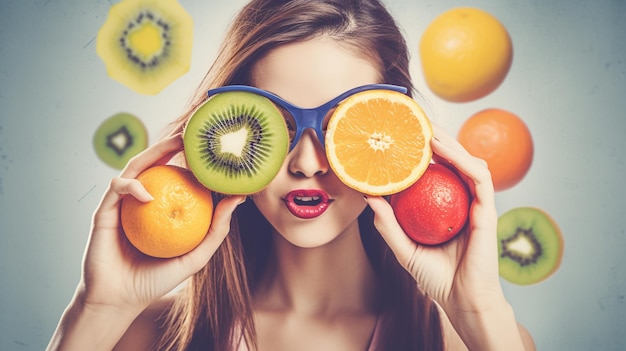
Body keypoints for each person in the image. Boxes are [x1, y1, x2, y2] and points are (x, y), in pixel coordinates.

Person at [47, 0, 536, 350]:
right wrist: (98, 312)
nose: (306, 163)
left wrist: (480, 315)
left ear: (393, 134)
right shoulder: (145, 335)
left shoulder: (468, 339)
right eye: (276, 127)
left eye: (340, 127)